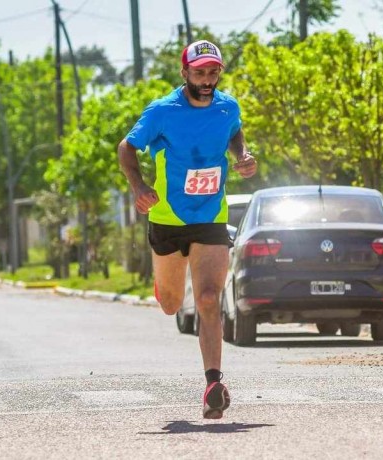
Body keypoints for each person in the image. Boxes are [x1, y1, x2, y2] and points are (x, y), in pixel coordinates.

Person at [117, 40, 257, 419]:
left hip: (211, 214)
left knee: (209, 298)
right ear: (185, 74)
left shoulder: (228, 106)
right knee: (171, 304)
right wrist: (140, 188)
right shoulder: (163, 111)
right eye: (200, 73)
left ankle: (214, 382)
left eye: (213, 72)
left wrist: (241, 155)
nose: (208, 79)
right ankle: (163, 284)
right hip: (167, 219)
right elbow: (126, 149)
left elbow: (233, 131)